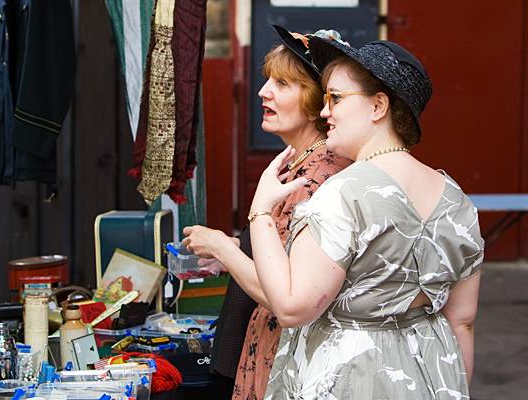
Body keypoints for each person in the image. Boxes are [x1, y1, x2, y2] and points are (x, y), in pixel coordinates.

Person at [245, 34, 485, 399]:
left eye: (335, 99)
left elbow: (292, 307)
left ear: (378, 107)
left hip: (350, 380)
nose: (325, 113)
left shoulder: (343, 194)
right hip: (433, 381)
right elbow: (462, 322)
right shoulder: (458, 201)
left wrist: (260, 212)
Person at [182, 26, 350, 399]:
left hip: (289, 357)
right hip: (264, 344)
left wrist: (225, 249)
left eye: (283, 83)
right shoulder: (295, 163)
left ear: (318, 102)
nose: (263, 91)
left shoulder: (320, 178)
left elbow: (285, 293)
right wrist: (229, 247)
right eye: (267, 80)